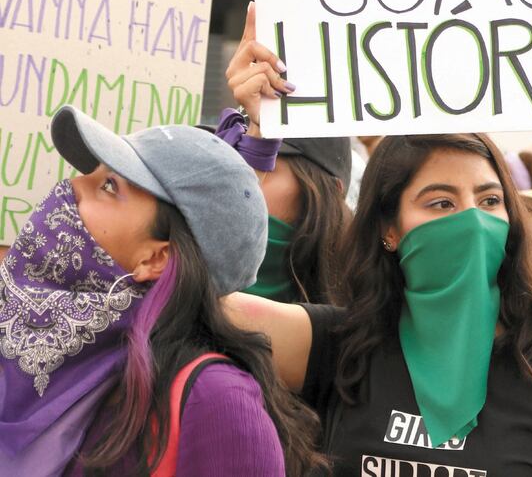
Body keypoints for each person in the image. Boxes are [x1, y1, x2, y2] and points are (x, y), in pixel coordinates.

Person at [226, 134, 532, 475]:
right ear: (389, 229)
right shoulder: (335, 346)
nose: (472, 221)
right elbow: (197, 301)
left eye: (489, 200)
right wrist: (259, 136)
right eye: (442, 204)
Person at [0, 105, 323, 476]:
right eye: (90, 173)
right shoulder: (20, 345)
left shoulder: (217, 402)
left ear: (158, 257)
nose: (70, 187)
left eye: (108, 187)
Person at [220, 1, 352, 303]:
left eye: (270, 158)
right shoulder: (178, 284)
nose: (243, 170)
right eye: (235, 154)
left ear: (330, 191)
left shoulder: (365, 320)